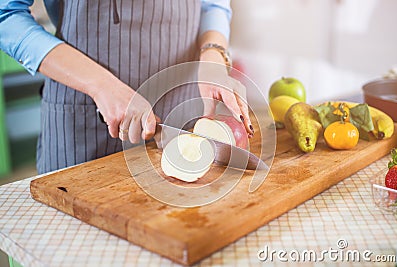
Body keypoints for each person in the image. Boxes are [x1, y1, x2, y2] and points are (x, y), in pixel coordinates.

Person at [0, 0, 253, 174]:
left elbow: (213, 4)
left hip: (183, 113)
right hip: (85, 123)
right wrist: (100, 85)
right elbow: (6, 17)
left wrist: (214, 55)